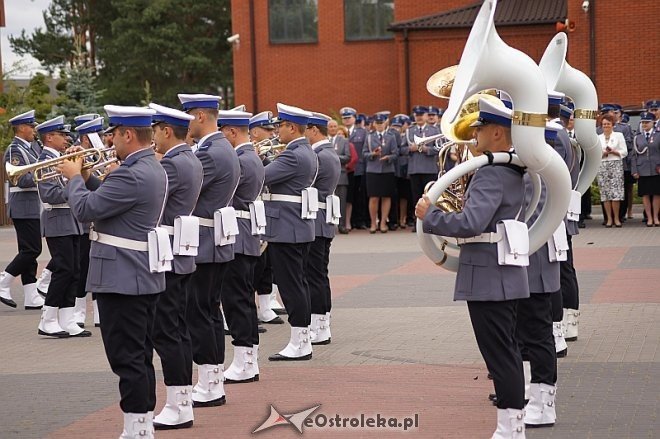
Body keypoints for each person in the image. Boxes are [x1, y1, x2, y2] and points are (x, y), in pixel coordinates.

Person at [415, 98, 528, 437]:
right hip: (500, 273)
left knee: (500, 355)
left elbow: (472, 222)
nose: (473, 134)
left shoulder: (492, 173)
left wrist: (430, 216)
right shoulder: (508, 169)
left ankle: (510, 429)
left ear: (497, 132)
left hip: (489, 276)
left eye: (479, 129)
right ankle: (513, 425)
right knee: (505, 351)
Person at [58, 105, 166, 438]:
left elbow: (85, 209)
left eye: (113, 135)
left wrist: (74, 178)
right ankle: (141, 425)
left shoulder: (130, 173)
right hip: (137, 274)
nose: (110, 142)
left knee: (127, 358)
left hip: (122, 277)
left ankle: (136, 429)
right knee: (139, 355)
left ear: (128, 134)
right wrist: (88, 176)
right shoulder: (149, 167)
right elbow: (109, 199)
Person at [178, 93, 241, 407]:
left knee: (199, 313)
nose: (185, 124)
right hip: (211, 238)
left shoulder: (210, 152)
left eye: (187, 116)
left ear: (200, 116)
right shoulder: (219, 147)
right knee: (209, 312)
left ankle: (209, 383)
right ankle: (212, 380)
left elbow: (181, 186)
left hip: (203, 240)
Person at [146, 103, 203, 429]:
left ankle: (178, 404)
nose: (153, 137)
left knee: (167, 332)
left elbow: (146, 195)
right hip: (178, 251)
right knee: (177, 330)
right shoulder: (189, 159)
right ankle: (181, 401)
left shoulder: (173, 164)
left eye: (155, 131)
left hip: (167, 251)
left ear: (166, 131)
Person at [263, 103, 316, 361]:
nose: (277, 131)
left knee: (290, 286)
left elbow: (262, 177)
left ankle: (299, 342)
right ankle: (301, 339)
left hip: (286, 228)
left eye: (280, 126)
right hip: (295, 227)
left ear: (291, 127)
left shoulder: (292, 155)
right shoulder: (305, 151)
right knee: (298, 284)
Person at [217, 109, 265, 383]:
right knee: (242, 299)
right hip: (243, 232)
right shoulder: (250, 157)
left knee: (236, 300)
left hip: (237, 232)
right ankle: (248, 360)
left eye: (222, 131)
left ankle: (245, 361)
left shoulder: (241, 160)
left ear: (232, 132)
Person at [35, 116, 90, 338]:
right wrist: (73, 183)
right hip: (57, 220)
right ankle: (47, 319)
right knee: (63, 269)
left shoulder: (62, 158)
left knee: (74, 270)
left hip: (72, 221)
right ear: (49, 137)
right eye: (62, 134)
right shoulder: (44, 161)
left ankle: (67, 320)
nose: (67, 138)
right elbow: (49, 194)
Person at [0, 110, 45, 310]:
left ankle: (30, 295)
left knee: (29, 251)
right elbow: (21, 179)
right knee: (32, 249)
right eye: (31, 126)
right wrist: (44, 170)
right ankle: (4, 281)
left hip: (32, 205)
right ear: (21, 128)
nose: (34, 130)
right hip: (23, 205)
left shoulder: (32, 148)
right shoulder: (14, 150)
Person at [305, 112, 340, 345]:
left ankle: (320, 326)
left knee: (314, 275)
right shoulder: (328, 152)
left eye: (305, 129)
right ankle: (322, 322)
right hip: (322, 218)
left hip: (316, 219)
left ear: (314, 130)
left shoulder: (319, 156)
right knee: (319, 274)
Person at [249, 110, 286, 325]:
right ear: (254, 132)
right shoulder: (246, 153)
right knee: (253, 264)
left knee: (266, 263)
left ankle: (265, 305)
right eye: (268, 129)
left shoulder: (267, 152)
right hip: (250, 211)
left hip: (266, 210)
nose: (272, 133)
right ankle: (249, 307)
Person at [70, 116, 106, 328]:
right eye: (96, 137)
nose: (101, 140)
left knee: (96, 268)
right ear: (85, 139)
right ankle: (78, 313)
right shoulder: (75, 156)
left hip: (98, 217)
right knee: (83, 269)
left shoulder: (96, 155)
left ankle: (99, 314)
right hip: (83, 221)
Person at [403, 106, 440, 232]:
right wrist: (409, 149)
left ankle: (431, 221)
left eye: (421, 114)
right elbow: (401, 149)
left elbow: (439, 148)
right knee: (416, 197)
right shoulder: (409, 131)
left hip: (429, 168)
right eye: (416, 114)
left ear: (425, 116)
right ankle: (417, 222)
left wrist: (426, 149)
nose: (419, 117)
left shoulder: (434, 130)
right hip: (414, 169)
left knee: (430, 197)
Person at [364, 113, 398, 233]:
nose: (379, 125)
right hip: (373, 170)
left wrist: (388, 157)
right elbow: (364, 154)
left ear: (385, 123)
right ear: (374, 124)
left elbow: (396, 153)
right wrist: (372, 154)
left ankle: (383, 222)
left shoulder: (391, 136)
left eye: (381, 123)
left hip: (387, 169)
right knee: (373, 197)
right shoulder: (369, 137)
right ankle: (373, 223)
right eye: (377, 123)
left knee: (386, 196)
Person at [597, 114, 627, 228]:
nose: (606, 126)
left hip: (615, 165)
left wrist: (614, 152)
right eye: (604, 124)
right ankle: (609, 219)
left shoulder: (618, 135)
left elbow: (624, 151)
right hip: (603, 165)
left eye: (608, 124)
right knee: (605, 194)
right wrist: (602, 153)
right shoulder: (598, 138)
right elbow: (595, 153)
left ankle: (616, 218)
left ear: (612, 125)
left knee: (616, 193)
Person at [340, 107, 368, 230]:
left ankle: (359, 220)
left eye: (349, 118)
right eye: (344, 118)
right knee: (348, 196)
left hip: (359, 167)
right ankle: (349, 220)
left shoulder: (362, 132)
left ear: (354, 118)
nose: (346, 120)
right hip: (345, 170)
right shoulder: (340, 132)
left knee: (359, 195)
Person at [631, 112, 660, 226]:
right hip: (642, 169)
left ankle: (656, 217)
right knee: (645, 194)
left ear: (653, 122)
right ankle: (649, 218)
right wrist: (634, 170)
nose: (644, 124)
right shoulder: (637, 137)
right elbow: (634, 155)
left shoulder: (658, 135)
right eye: (643, 122)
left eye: (647, 122)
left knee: (657, 194)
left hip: (656, 168)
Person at [328, 119, 351, 234]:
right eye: (330, 126)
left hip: (341, 175)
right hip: (326, 176)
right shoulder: (324, 140)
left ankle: (342, 225)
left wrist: (334, 157)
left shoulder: (344, 141)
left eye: (334, 126)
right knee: (327, 201)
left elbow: (347, 157)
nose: (332, 128)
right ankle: (329, 224)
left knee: (341, 201)